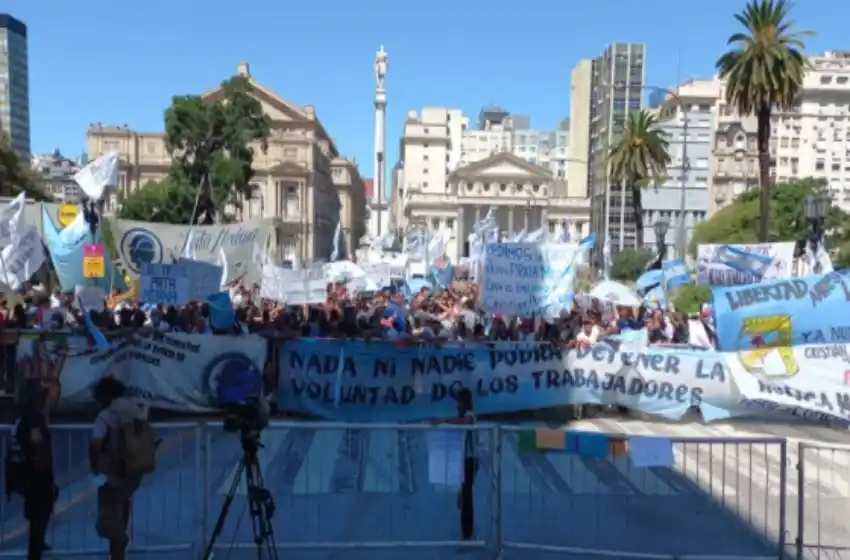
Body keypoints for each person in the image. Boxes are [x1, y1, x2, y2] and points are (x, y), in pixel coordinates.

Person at [90, 377, 152, 560]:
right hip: (134, 470)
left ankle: (118, 553)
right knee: (124, 503)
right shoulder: (135, 410)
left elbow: (95, 444)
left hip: (112, 472)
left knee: (111, 519)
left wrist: (95, 467)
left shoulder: (106, 415)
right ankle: (122, 543)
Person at [14, 377, 59, 559]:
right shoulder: (32, 418)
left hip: (32, 475)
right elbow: (37, 445)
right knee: (38, 517)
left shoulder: (28, 416)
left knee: (38, 516)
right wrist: (45, 478)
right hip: (37, 477)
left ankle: (38, 545)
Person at [433, 387, 477, 540]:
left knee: (466, 498)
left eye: (458, 400)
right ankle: (467, 531)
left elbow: (465, 422)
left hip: (470, 460)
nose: (456, 404)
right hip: (463, 460)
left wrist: (444, 420)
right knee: (463, 496)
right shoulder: (462, 415)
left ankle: (468, 534)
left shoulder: (469, 415)